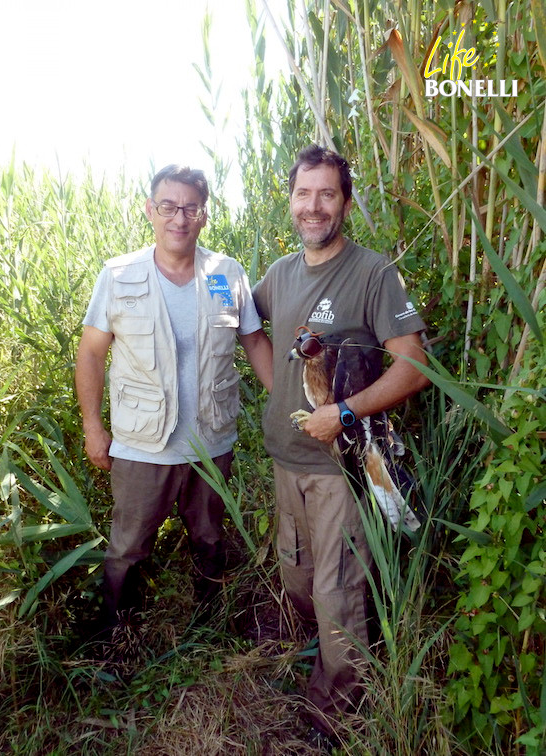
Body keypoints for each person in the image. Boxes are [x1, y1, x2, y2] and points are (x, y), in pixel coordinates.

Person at [252, 144, 430, 740]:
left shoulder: (372, 273)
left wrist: (343, 412)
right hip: (285, 460)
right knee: (298, 576)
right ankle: (326, 669)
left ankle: (342, 709)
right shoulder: (278, 275)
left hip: (339, 468)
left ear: (345, 203)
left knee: (336, 592)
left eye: (327, 194)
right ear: (292, 200)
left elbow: (413, 367)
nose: (314, 206)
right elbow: (252, 332)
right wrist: (284, 395)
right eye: (304, 193)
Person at [75, 164, 272, 632]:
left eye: (190, 208)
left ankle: (210, 630)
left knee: (209, 538)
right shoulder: (119, 275)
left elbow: (256, 344)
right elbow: (90, 353)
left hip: (211, 441)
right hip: (143, 446)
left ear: (204, 215)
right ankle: (116, 637)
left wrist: (289, 400)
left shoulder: (227, 273)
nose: (178, 218)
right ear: (150, 210)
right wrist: (92, 427)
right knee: (128, 547)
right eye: (168, 207)